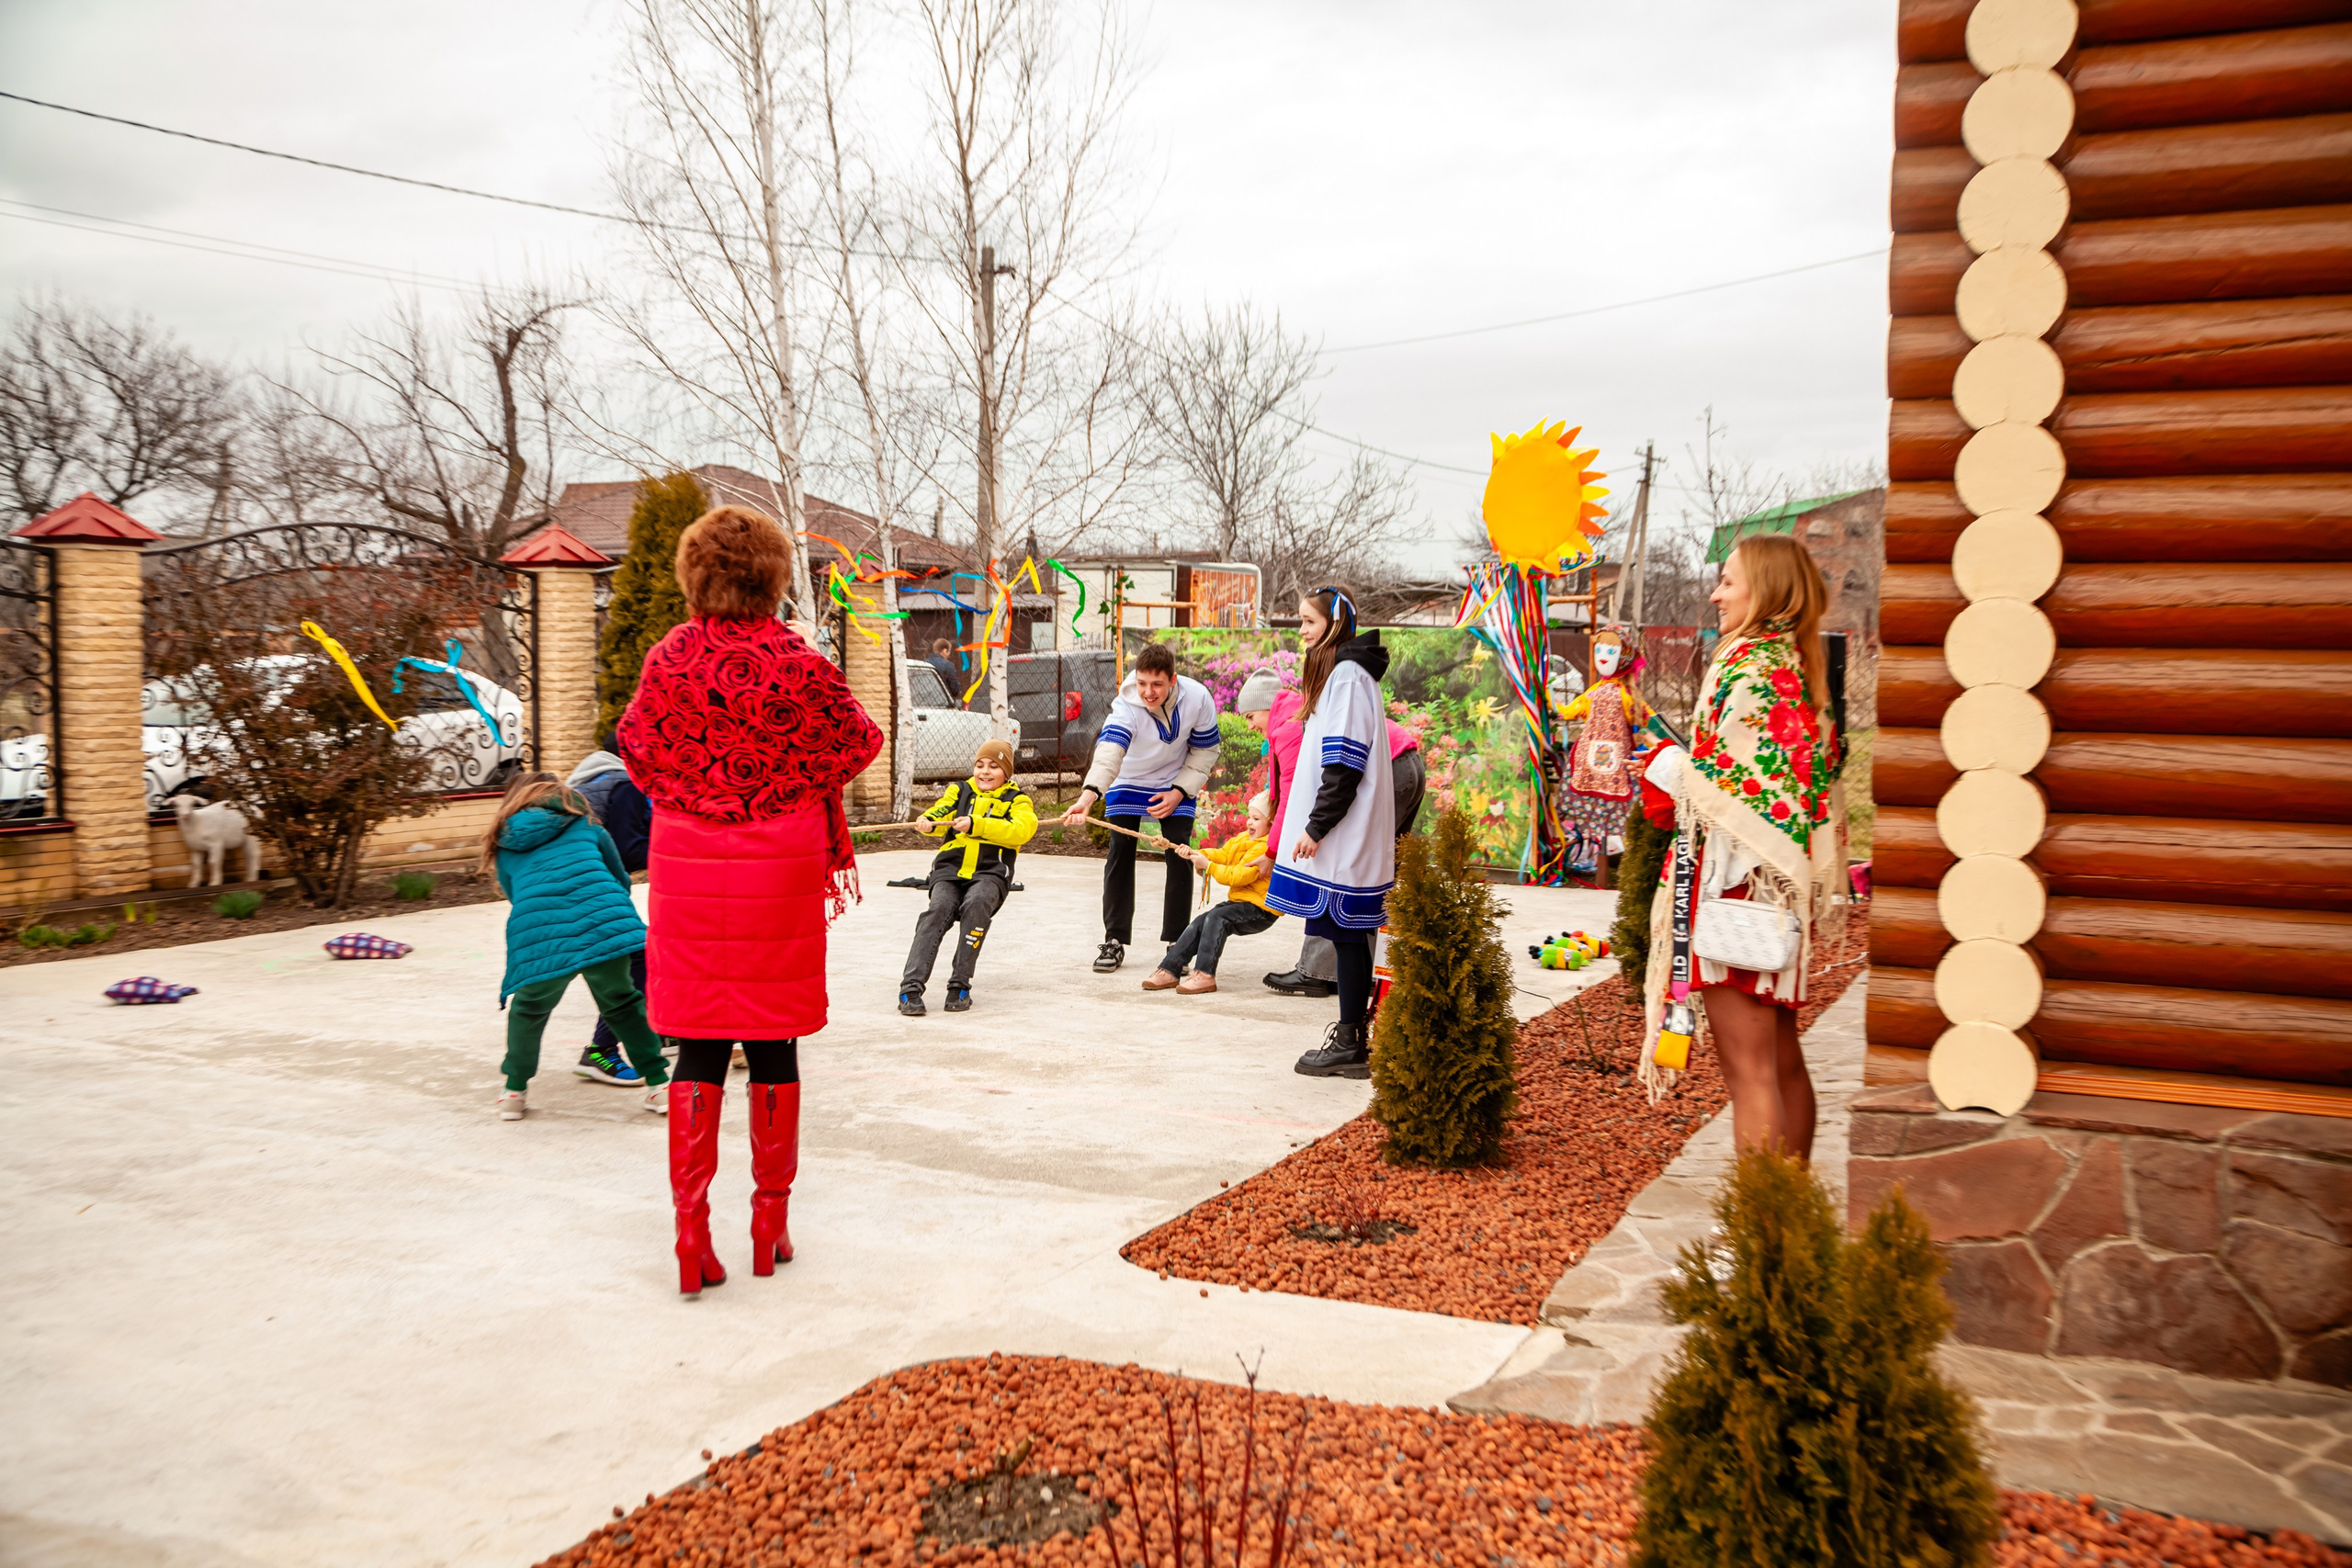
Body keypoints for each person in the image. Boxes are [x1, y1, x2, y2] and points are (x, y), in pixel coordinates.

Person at [619, 505, 883, 1296]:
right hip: (780, 869)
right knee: (773, 1042)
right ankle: (770, 1223)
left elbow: (636, 749)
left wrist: (695, 791)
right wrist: (788, 781)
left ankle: (691, 1232)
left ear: (694, 573)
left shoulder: (670, 657)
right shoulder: (795, 660)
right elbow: (858, 740)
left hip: (688, 869)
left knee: (698, 1045)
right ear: (771, 577)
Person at [1637, 533, 1845, 1160]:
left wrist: (1662, 764)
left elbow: (1724, 788)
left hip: (1736, 888)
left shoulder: (1747, 665)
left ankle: (1762, 1219)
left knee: (1750, 1072)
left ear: (1768, 590)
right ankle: (1788, 1206)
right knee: (1782, 1061)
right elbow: (1784, 786)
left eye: (1728, 581)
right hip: (1776, 888)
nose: (1715, 594)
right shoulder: (1795, 667)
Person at [481, 773, 672, 1121]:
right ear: (561, 795)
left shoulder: (504, 841)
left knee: (529, 1010)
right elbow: (619, 878)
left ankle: (513, 1093)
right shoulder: (586, 826)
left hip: (539, 930)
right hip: (601, 922)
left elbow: (515, 894)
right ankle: (659, 1088)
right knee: (622, 1004)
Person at [1264, 587, 1397, 1077]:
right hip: (1344, 829)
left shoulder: (1347, 676)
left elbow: (1344, 761)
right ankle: (1352, 1036)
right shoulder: (1345, 673)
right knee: (1348, 936)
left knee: (1348, 935)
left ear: (1335, 624)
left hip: (1344, 832)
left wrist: (1318, 826)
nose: (1301, 630)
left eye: (1309, 621)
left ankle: (1349, 1042)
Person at [1239, 670, 1425, 999]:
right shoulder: (1299, 714)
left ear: (1267, 707)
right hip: (1406, 764)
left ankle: (1316, 972)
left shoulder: (1289, 727)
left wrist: (1273, 852)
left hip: (1387, 770)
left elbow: (1296, 797)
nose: (1250, 725)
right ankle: (1372, 973)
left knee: (1331, 872)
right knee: (1377, 876)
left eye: (1251, 716)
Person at [1056, 641, 1221, 973]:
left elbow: (1206, 750)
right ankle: (1114, 940)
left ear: (1172, 680)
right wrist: (1087, 798)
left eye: (1157, 684)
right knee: (1120, 850)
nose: (1148, 692)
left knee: (1179, 852)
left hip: (1174, 781)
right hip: (1129, 777)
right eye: (1142, 683)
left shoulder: (1198, 698)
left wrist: (1179, 791)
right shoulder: (1127, 704)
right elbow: (1110, 751)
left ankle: (1178, 942)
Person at [899, 738, 1037, 1017]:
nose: (985, 772)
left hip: (990, 872)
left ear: (1006, 772)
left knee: (977, 905)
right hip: (950, 869)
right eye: (980, 765)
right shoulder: (960, 791)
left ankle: (959, 984)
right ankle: (910, 987)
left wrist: (977, 823)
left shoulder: (1017, 800)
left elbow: (1022, 830)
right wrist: (929, 822)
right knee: (937, 911)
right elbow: (941, 812)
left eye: (994, 766)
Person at [569, 735, 656, 1086]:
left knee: (633, 959)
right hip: (590, 892)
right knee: (636, 959)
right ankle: (600, 1051)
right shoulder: (624, 784)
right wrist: (677, 841)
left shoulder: (593, 778)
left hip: (573, 891)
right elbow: (628, 851)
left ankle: (659, 1031)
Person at [1143, 792, 1278, 994]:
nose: (1249, 822)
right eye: (1249, 816)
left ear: (1272, 823)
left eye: (1256, 819)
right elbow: (1223, 854)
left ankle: (1205, 975)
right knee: (1201, 921)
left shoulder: (1264, 849)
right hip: (1240, 903)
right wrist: (1197, 853)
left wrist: (1209, 866)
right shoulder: (1243, 839)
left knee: (1217, 918)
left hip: (1260, 909)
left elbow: (1238, 876)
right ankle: (1170, 969)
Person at [926, 637, 964, 703]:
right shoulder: (948, 665)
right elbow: (954, 689)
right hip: (942, 701)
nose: (949, 655)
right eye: (948, 652)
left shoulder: (924, 663)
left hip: (925, 699)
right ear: (944, 651)